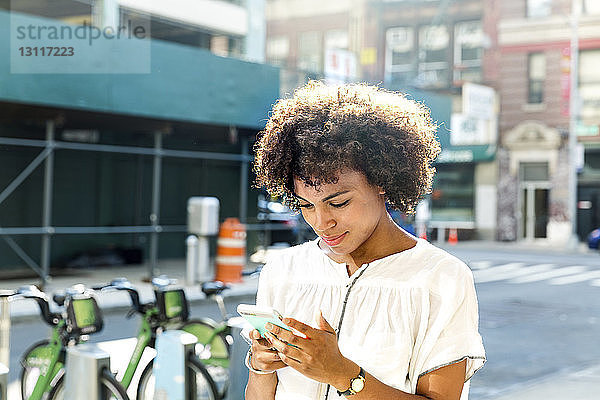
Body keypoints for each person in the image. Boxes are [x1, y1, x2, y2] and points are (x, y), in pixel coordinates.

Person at [245, 81, 485, 400]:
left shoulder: (440, 279)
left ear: (382, 181)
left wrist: (344, 375)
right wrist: (261, 366)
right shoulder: (283, 271)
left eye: (339, 202)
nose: (321, 222)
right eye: (305, 205)